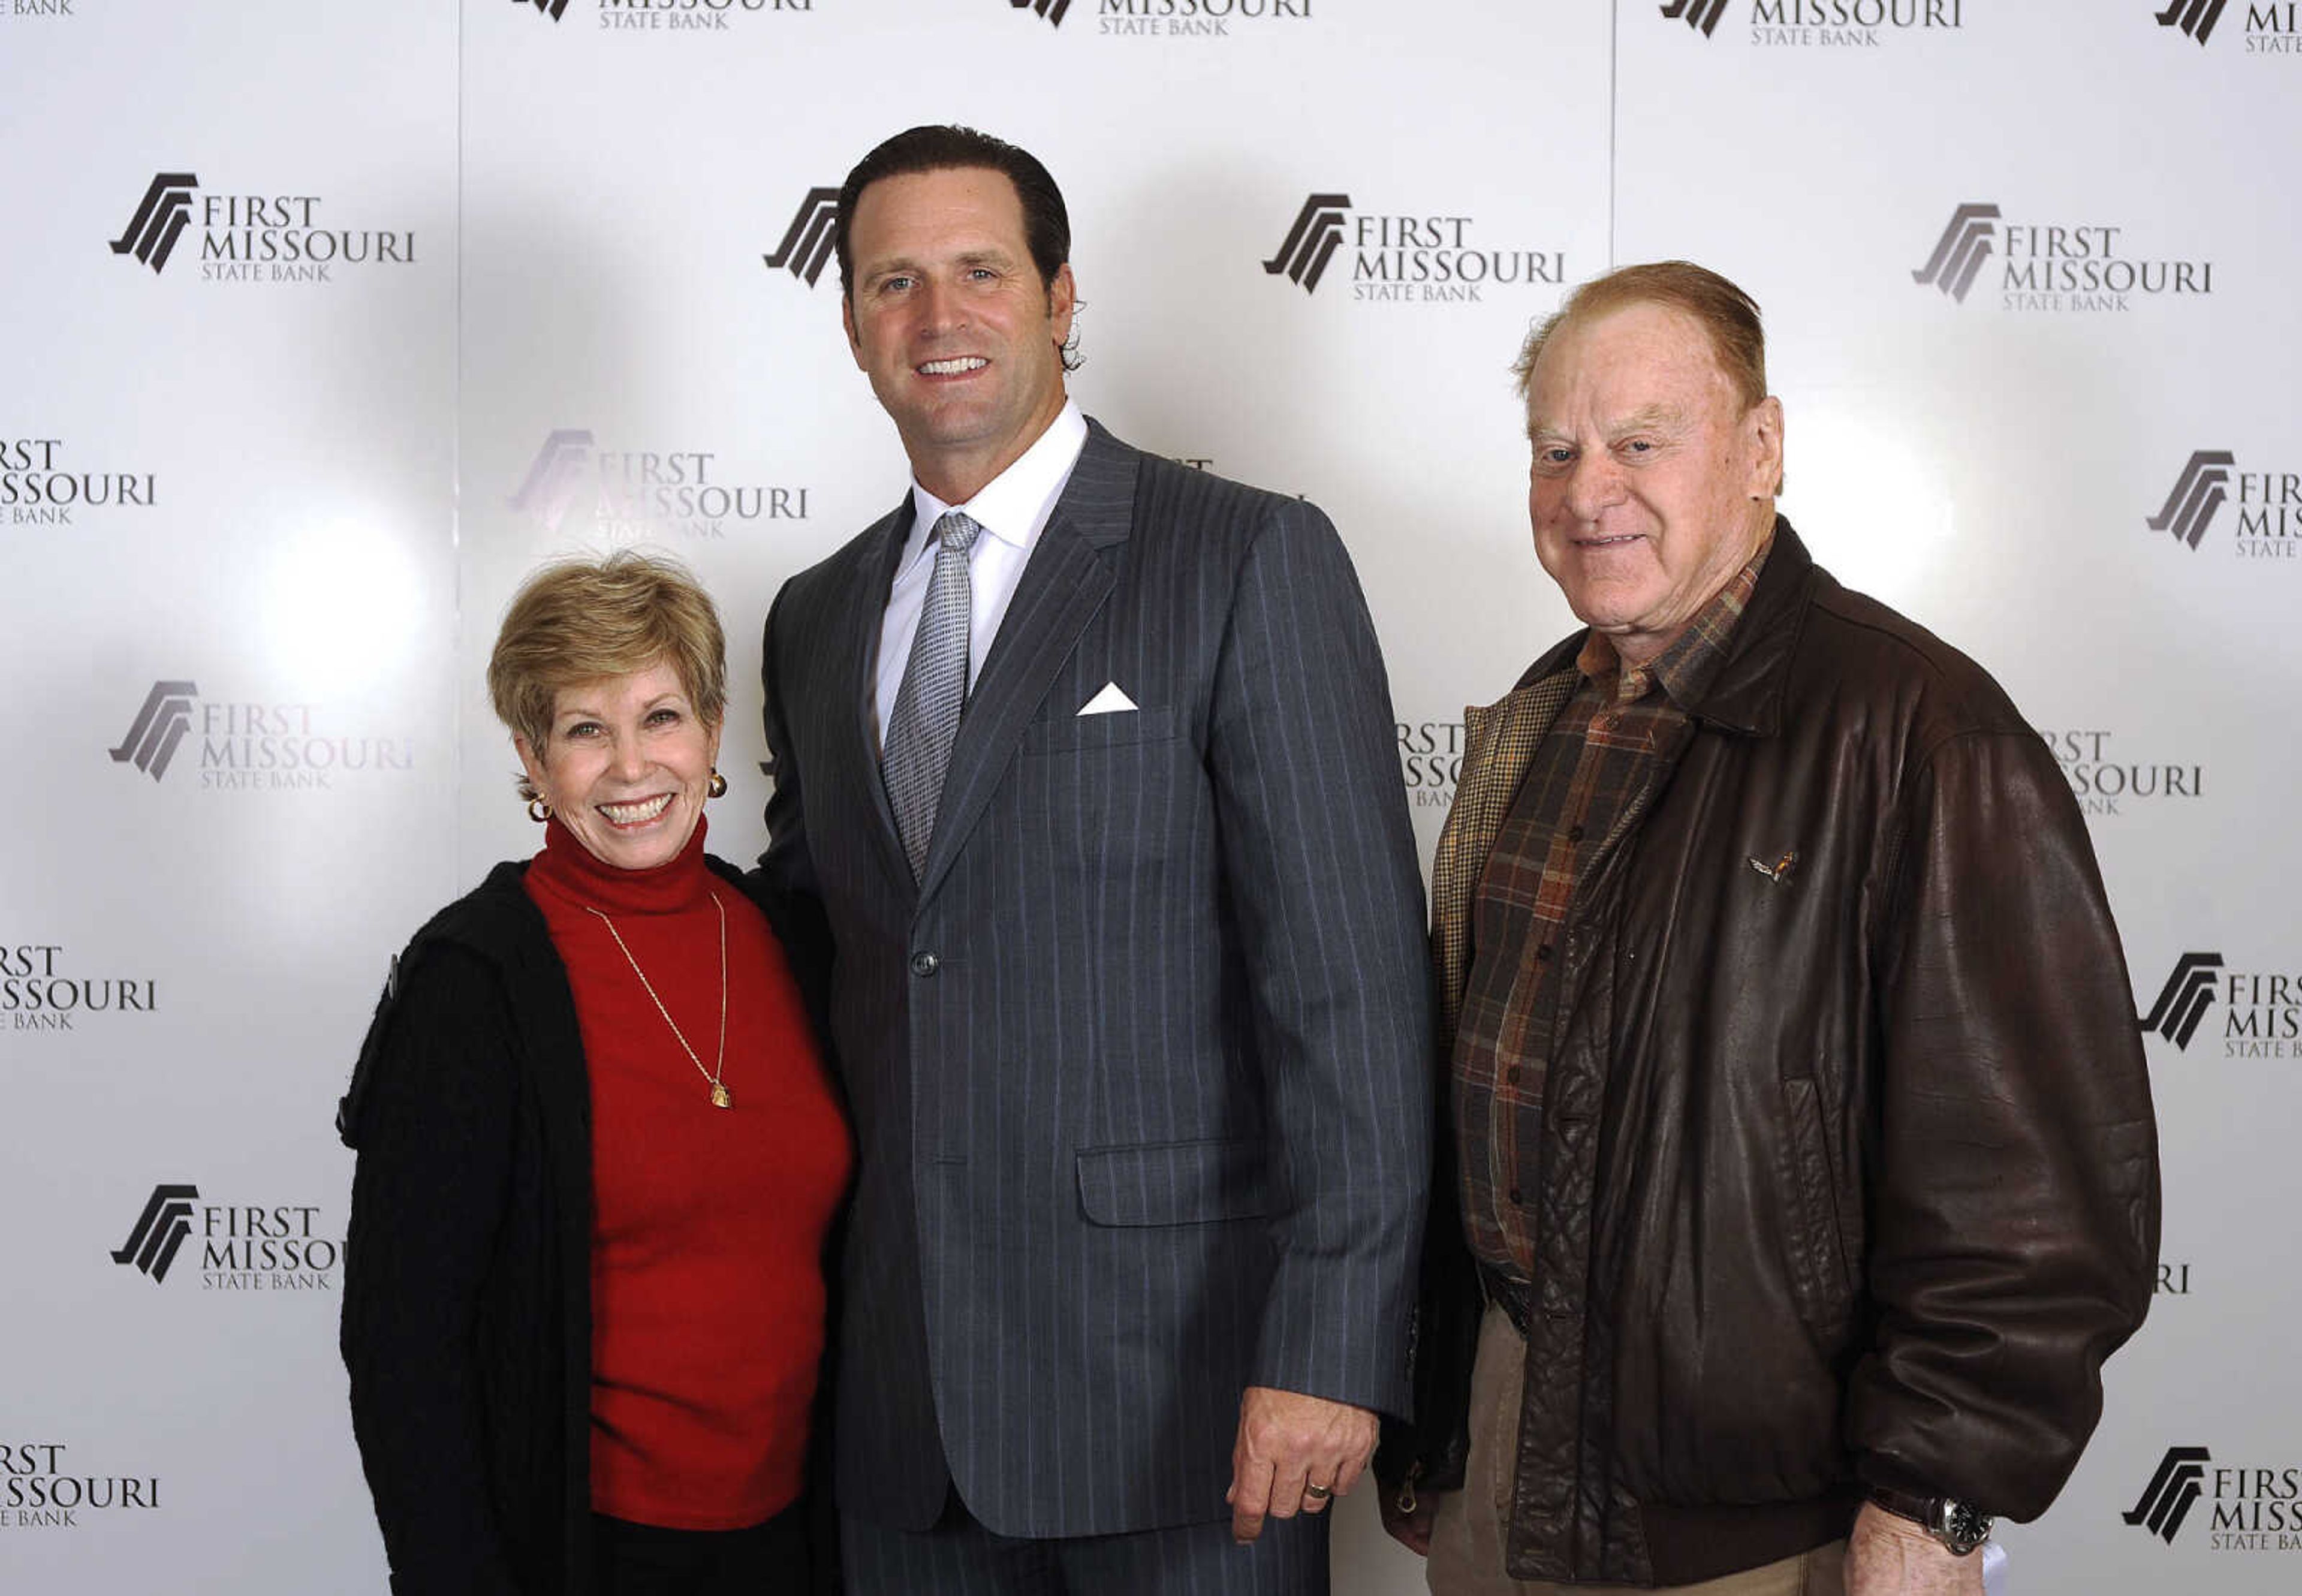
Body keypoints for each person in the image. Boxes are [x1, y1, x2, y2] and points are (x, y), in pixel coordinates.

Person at [1374, 262, 2160, 1596]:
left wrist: (1935, 1503)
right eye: (1555, 448)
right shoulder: (1541, 719)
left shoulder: (1919, 728)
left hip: (1769, 1514)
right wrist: (1448, 1433)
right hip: (1508, 1448)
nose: (1587, 488)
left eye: (1641, 440)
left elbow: (2036, 1198)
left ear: (1761, 448)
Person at [757, 125, 1432, 1593]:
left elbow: (1354, 995)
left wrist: (1330, 1346)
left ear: (1063, 298)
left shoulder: (1246, 557)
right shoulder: (811, 617)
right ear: (854, 325)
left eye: (982, 271)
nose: (940, 319)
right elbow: (816, 959)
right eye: (894, 283)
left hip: (1184, 1413)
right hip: (902, 1423)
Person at [341, 552, 850, 1596]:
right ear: (532, 759)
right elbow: (403, 1348)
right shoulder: (474, 982)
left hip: (808, 1541)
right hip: (586, 1552)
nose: (630, 767)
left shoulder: (789, 937)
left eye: (660, 717)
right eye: (585, 729)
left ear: (713, 730)